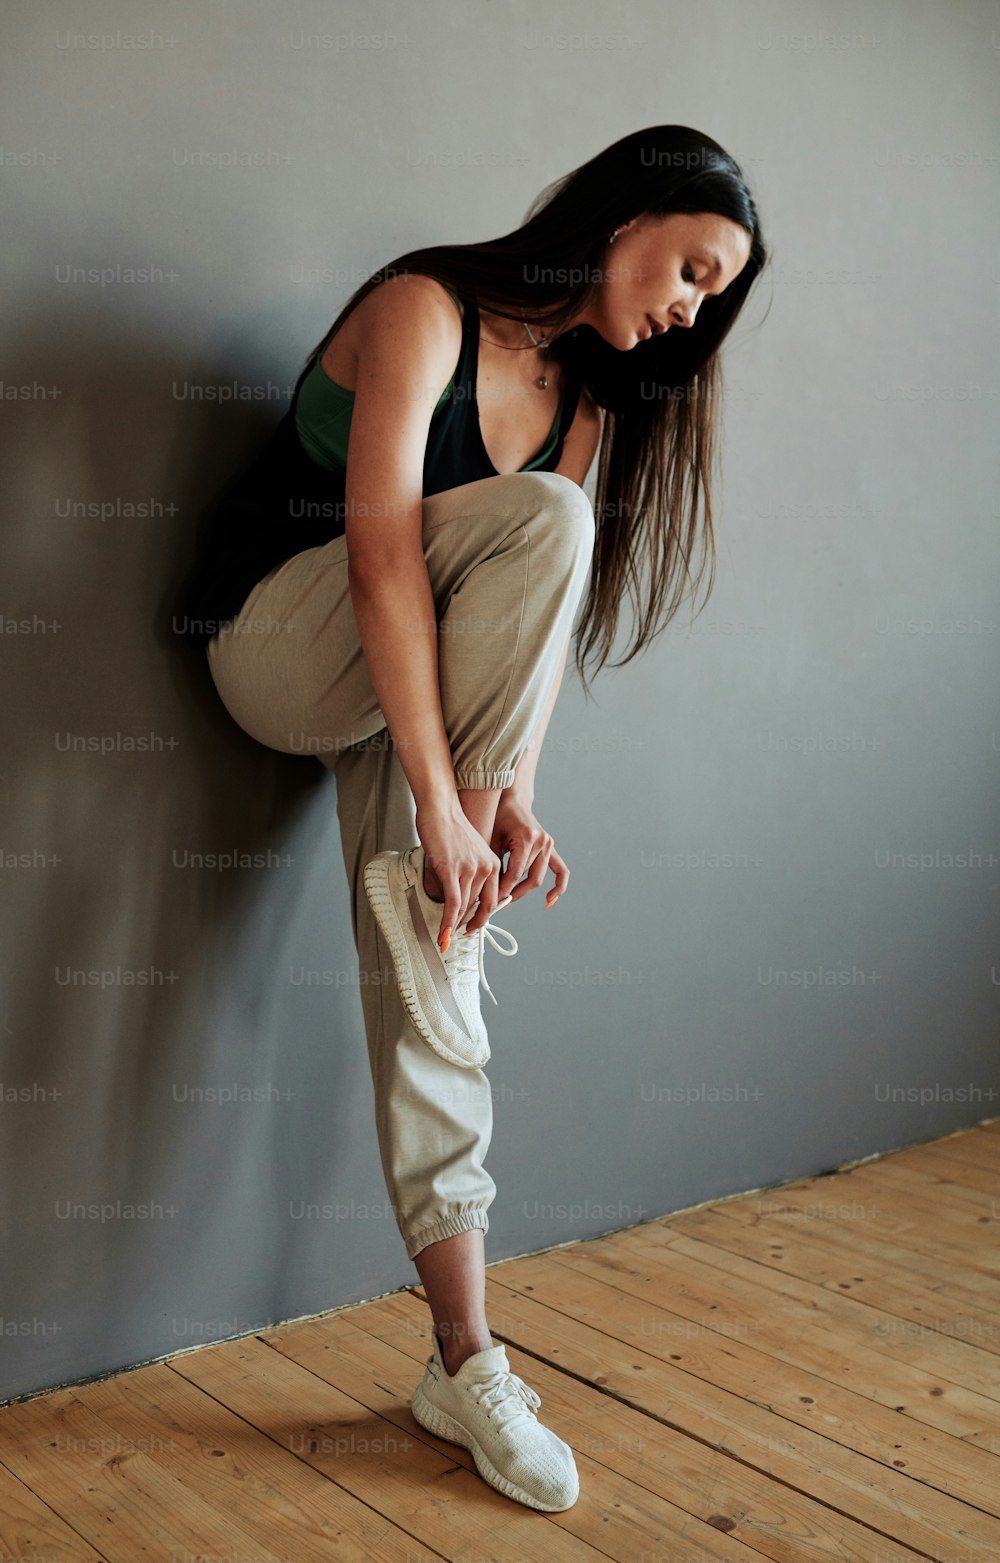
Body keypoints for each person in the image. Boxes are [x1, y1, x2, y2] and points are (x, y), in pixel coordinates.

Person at [175, 124, 767, 1512]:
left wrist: (508, 812)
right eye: (691, 267)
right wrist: (459, 799)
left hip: (408, 701)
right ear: (626, 216)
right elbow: (384, 553)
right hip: (278, 642)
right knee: (554, 524)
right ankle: (449, 835)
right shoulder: (423, 309)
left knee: (433, 960)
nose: (690, 308)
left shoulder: (591, 412)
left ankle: (464, 1357)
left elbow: (527, 640)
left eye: (710, 298)